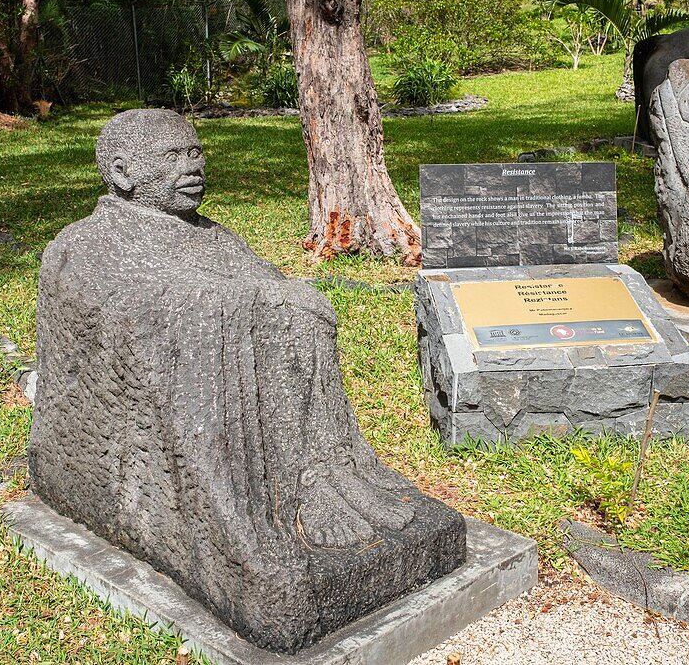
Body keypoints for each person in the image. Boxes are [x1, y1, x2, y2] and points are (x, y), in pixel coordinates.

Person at [29, 109, 465, 654]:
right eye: (173, 157)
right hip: (156, 428)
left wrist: (280, 302)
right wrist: (229, 304)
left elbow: (270, 285)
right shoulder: (84, 244)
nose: (193, 166)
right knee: (216, 317)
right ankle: (255, 518)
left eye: (195, 153)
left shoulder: (212, 236)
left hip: (273, 397)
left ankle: (319, 481)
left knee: (300, 307)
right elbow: (130, 307)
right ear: (122, 172)